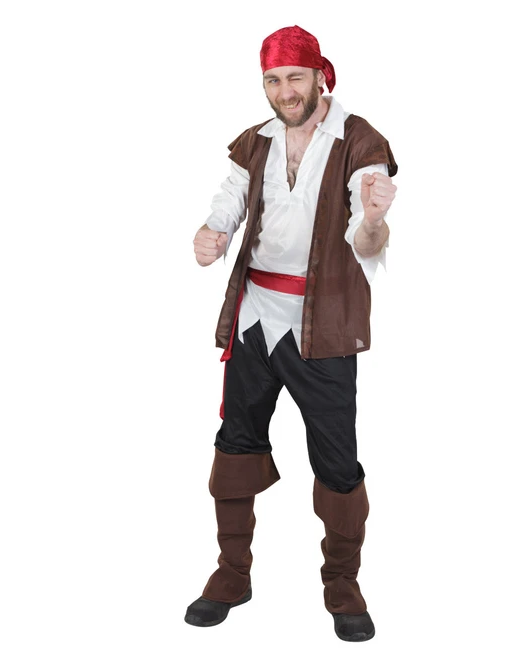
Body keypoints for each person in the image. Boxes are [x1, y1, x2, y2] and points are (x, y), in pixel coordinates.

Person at [184, 25, 397, 642]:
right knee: (235, 444)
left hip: (323, 323)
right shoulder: (256, 141)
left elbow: (367, 240)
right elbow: (229, 202)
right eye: (273, 80)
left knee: (337, 458)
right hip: (254, 318)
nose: (285, 91)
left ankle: (342, 581)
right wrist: (210, 234)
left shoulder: (360, 140)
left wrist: (375, 220)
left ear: (319, 76)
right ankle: (232, 573)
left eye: (295, 78)